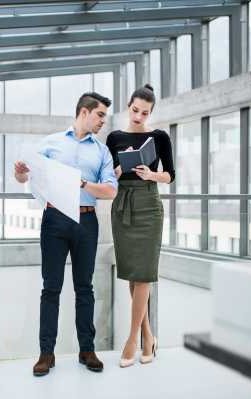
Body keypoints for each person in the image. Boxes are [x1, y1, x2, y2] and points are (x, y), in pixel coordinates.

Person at [14, 92, 118, 376]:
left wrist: (83, 183)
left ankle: (87, 350)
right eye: (100, 115)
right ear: (84, 112)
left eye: (105, 118)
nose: (102, 122)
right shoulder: (52, 142)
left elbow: (110, 190)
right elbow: (24, 178)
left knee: (84, 288)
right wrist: (21, 171)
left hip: (87, 222)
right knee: (51, 288)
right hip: (55, 219)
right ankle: (46, 354)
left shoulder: (101, 151)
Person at [105, 84, 175, 368]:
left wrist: (151, 174)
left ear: (151, 112)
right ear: (128, 105)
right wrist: (122, 167)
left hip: (148, 205)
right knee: (133, 274)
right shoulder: (114, 137)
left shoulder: (159, 137)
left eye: (145, 112)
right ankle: (148, 335)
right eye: (135, 110)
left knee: (143, 273)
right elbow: (109, 176)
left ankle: (132, 339)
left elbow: (170, 176)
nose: (138, 116)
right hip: (122, 204)